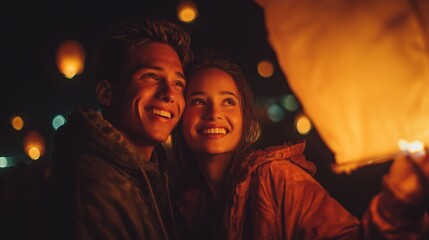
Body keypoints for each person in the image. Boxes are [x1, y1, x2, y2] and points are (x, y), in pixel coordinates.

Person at [171, 51, 429, 239]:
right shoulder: (182, 206)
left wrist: (398, 205)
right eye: (198, 101)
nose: (214, 113)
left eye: (228, 101)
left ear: (244, 118)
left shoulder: (276, 178)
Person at [41, 17, 192, 240]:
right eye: (150, 76)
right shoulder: (96, 185)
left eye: (178, 83)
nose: (169, 94)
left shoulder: (151, 174)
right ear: (106, 93)